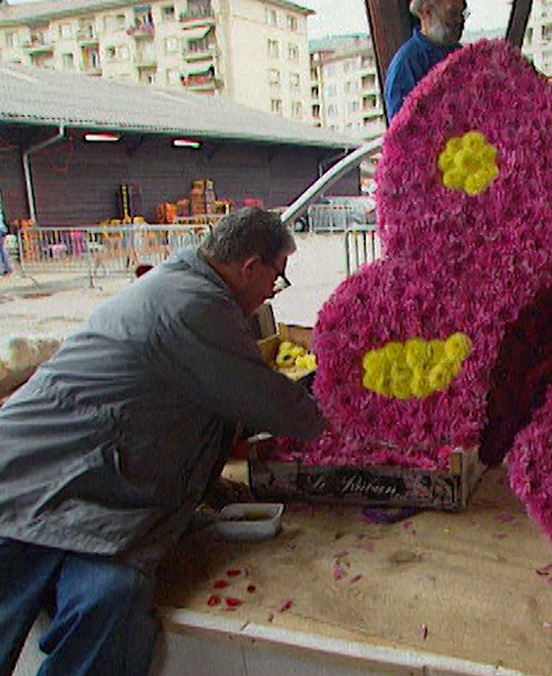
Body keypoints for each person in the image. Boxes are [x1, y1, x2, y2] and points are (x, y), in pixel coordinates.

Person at [0, 207, 324, 675]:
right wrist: (341, 414)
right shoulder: (192, 304)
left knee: (113, 598)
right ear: (251, 266)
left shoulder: (191, 289)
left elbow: (201, 402)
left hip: (103, 497)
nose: (274, 290)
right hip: (32, 476)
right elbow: (267, 401)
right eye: (277, 277)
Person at [384, 0, 467, 120]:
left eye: (462, 14)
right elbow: (401, 130)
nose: (460, 21)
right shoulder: (406, 63)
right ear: (427, 12)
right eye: (452, 13)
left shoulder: (461, 54)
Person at [0, 200, 13, 277]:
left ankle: (6, 268)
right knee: (2, 249)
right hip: (2, 229)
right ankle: (8, 268)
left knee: (2, 250)